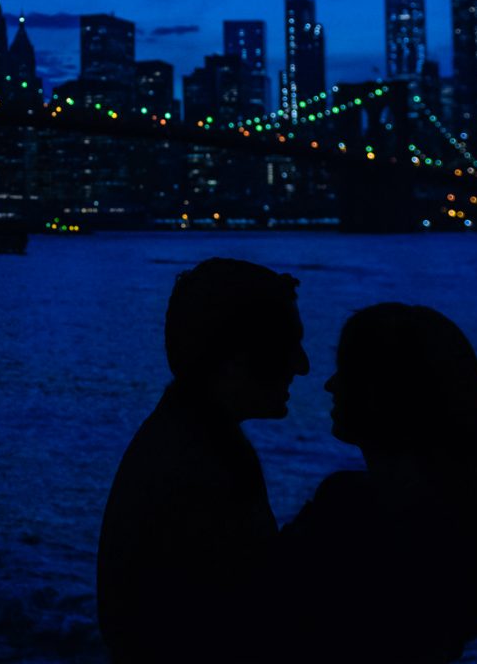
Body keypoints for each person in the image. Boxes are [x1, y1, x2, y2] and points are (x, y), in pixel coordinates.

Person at [273, 303, 477, 663]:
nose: (330, 384)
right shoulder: (460, 522)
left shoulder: (350, 508)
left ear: (383, 391)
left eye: (346, 371)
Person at [97, 258, 309, 663]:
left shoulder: (180, 442)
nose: (303, 365)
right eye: (287, 346)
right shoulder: (202, 473)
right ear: (235, 360)